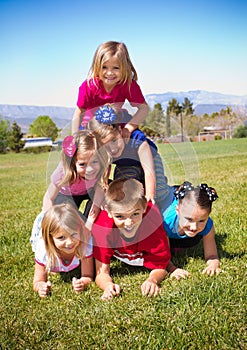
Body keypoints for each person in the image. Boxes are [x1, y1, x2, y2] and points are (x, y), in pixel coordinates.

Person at [92, 178, 171, 300]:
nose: (129, 223)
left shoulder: (151, 222)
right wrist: (107, 285)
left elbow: (160, 265)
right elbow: (102, 272)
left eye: (135, 214)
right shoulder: (103, 228)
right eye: (120, 216)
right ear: (108, 211)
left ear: (144, 208)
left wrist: (152, 280)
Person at [88, 104, 173, 210]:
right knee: (124, 192)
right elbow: (102, 179)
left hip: (150, 161)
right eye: (105, 146)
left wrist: (150, 197)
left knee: (159, 193)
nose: (112, 149)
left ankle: (172, 190)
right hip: (125, 165)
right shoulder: (103, 152)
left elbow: (149, 171)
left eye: (114, 141)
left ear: (120, 131)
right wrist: (97, 205)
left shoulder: (137, 139)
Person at [72, 41, 149, 136]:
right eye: (104, 67)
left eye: (116, 68)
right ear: (97, 66)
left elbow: (144, 108)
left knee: (141, 140)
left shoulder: (128, 84)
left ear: (125, 67)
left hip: (117, 124)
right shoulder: (88, 86)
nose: (109, 73)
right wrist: (74, 137)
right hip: (90, 126)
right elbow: (79, 112)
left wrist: (128, 129)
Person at [43, 130, 110, 222]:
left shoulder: (100, 170)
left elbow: (98, 194)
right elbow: (49, 198)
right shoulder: (62, 174)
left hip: (89, 190)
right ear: (73, 163)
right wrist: (49, 219)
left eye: (94, 162)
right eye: (82, 164)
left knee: (108, 192)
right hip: (67, 195)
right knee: (66, 213)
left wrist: (90, 222)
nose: (90, 169)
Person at [30, 203, 94, 298]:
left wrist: (82, 282)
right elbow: (38, 280)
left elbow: (88, 275)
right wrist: (41, 287)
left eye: (73, 234)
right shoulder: (43, 249)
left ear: (80, 231)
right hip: (41, 227)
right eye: (61, 237)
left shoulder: (84, 244)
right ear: (50, 238)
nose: (69, 243)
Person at [163, 181, 221, 280]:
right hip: (166, 227)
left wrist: (213, 265)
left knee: (192, 239)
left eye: (202, 220)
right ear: (177, 211)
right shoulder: (166, 223)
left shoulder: (208, 225)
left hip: (182, 233)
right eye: (189, 219)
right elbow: (162, 257)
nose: (194, 227)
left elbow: (212, 255)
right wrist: (173, 269)